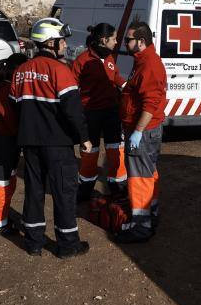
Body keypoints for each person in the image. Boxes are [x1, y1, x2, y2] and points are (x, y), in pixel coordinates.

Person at [9, 17, 92, 258]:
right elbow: (73, 111)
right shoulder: (60, 71)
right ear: (50, 43)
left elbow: (15, 106)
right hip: (57, 144)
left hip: (30, 143)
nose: (65, 45)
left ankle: (33, 242)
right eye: (61, 41)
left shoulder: (21, 72)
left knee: (34, 191)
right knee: (64, 193)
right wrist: (84, 138)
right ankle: (68, 245)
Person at [116, 21, 167, 244]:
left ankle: (141, 225)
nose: (125, 43)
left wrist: (137, 131)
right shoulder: (143, 61)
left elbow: (150, 103)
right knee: (147, 173)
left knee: (139, 177)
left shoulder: (149, 65)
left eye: (129, 39)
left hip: (143, 131)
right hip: (144, 129)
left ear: (141, 42)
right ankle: (150, 214)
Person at [71, 23, 127, 201]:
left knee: (115, 148)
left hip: (111, 111)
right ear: (104, 40)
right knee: (89, 151)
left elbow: (115, 75)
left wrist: (126, 86)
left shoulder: (109, 57)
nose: (117, 42)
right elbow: (72, 86)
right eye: (114, 38)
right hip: (91, 113)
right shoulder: (83, 60)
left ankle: (116, 185)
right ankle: (86, 186)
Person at [0, 53, 28, 235]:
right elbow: (9, 121)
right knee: (1, 184)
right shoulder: (7, 91)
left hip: (3, 142)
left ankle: (1, 218)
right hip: (4, 142)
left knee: (6, 181)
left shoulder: (3, 87)